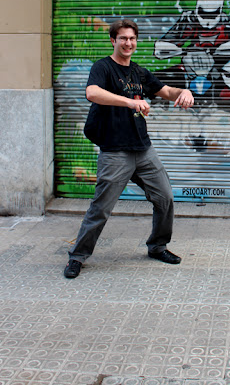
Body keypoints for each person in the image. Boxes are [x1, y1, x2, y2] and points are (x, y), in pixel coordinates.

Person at [64, 19, 194, 279]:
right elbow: (92, 93)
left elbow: (166, 91)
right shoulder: (103, 67)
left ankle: (157, 246)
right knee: (101, 208)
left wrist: (185, 91)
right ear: (113, 40)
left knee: (165, 198)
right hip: (115, 151)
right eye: (123, 38)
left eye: (132, 38)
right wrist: (129, 102)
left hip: (143, 150)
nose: (128, 43)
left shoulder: (139, 72)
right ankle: (77, 256)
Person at [154, 0, 230, 138]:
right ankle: (153, 119)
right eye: (203, 13)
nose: (207, 18)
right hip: (188, 69)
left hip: (212, 72)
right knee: (155, 81)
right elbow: (167, 41)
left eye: (212, 14)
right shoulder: (188, 21)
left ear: (219, 11)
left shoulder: (225, 24)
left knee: (229, 99)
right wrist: (171, 49)